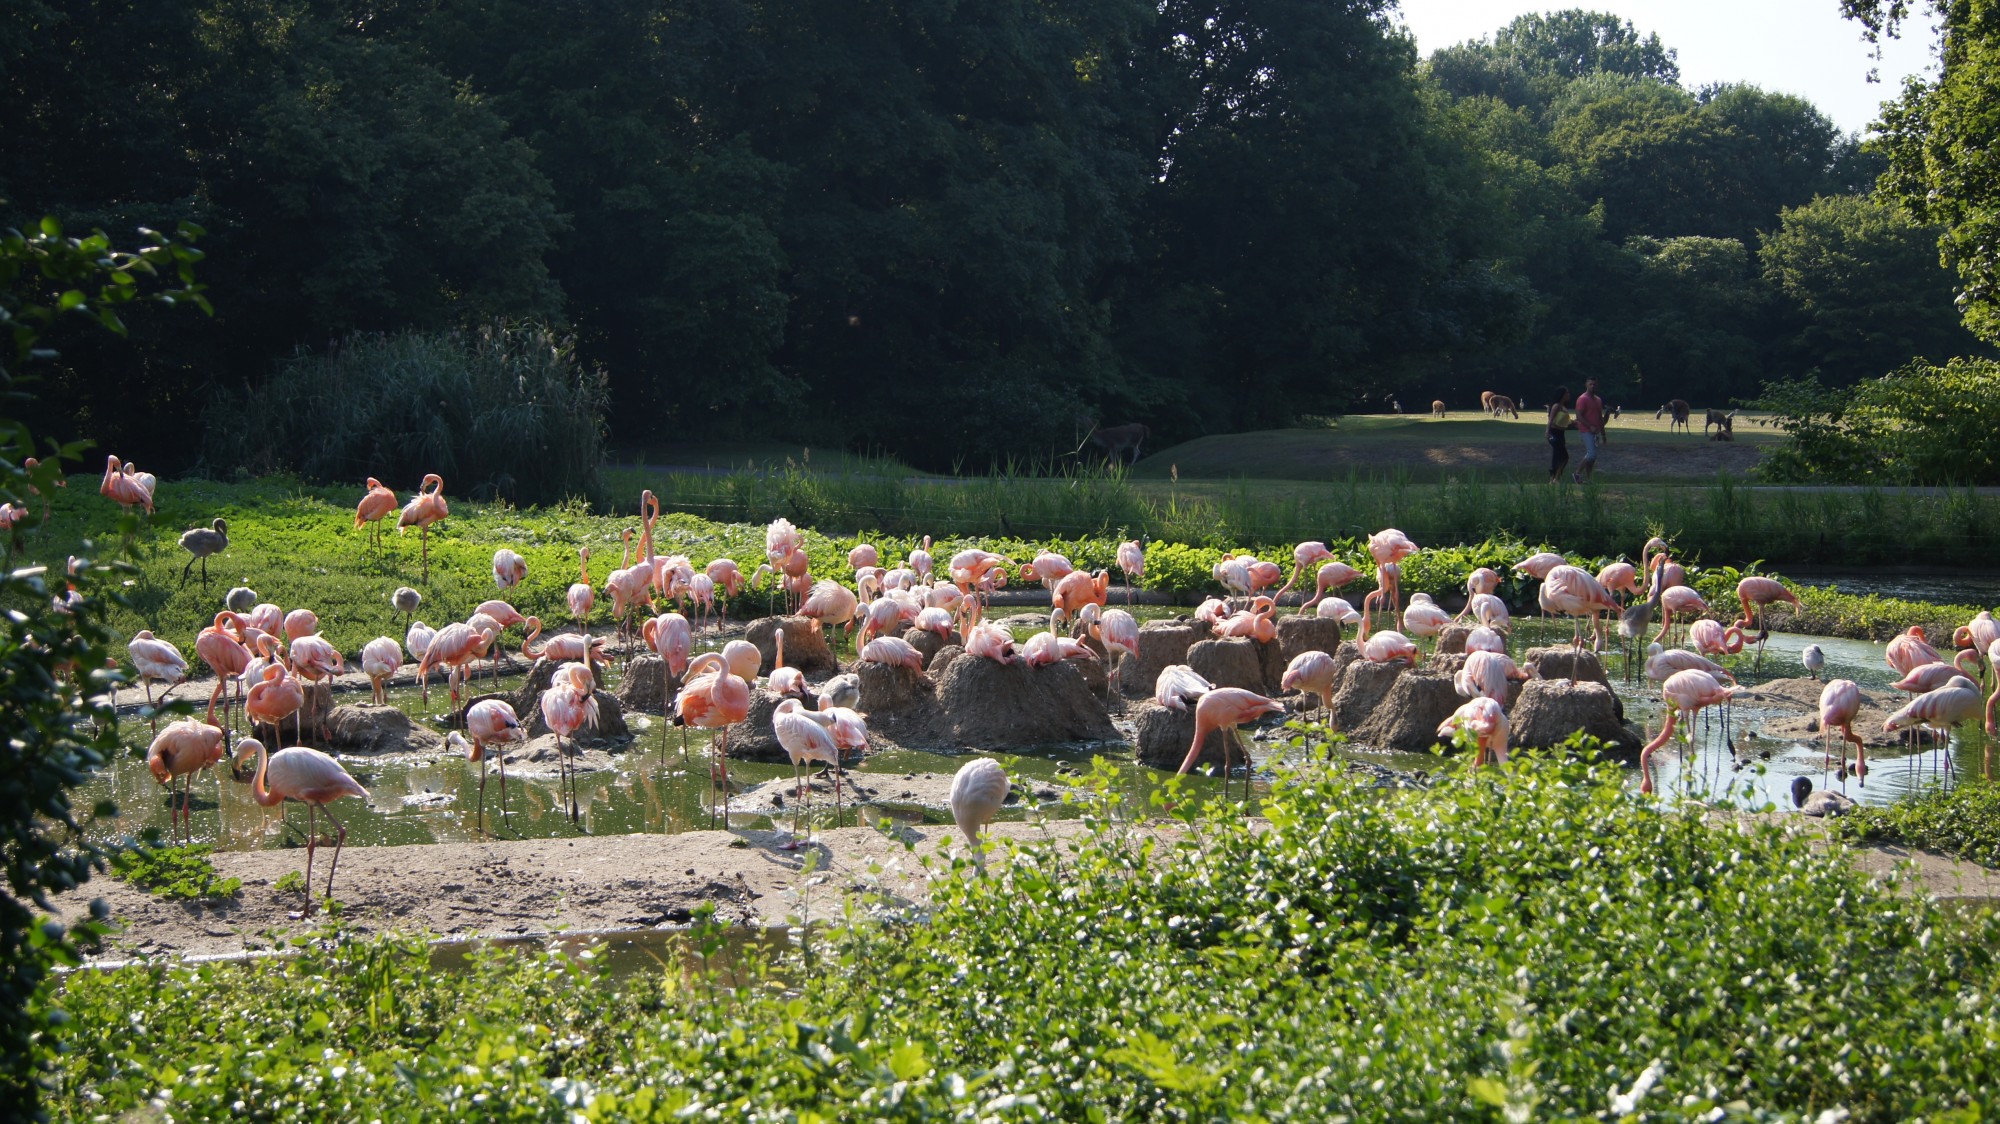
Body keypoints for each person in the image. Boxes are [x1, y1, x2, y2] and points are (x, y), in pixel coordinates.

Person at [1574, 378, 1606, 484]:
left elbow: (1600, 418)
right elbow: (1578, 415)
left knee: (1592, 458)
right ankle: (1577, 473)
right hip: (1585, 430)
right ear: (1586, 385)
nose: (1593, 386)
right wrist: (1589, 426)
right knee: (1591, 454)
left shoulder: (1598, 400)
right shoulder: (1582, 399)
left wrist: (1603, 433)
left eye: (1594, 384)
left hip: (1595, 432)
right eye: (1590, 384)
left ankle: (1589, 479)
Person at [1546, 386, 1576, 485]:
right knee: (1563, 456)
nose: (1569, 395)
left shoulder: (1564, 407)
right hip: (1554, 433)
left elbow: (1566, 423)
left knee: (1558, 456)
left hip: (1561, 434)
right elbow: (1551, 420)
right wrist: (1547, 431)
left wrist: (1576, 424)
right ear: (1562, 395)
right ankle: (1556, 478)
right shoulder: (1556, 406)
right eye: (1567, 393)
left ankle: (1553, 479)